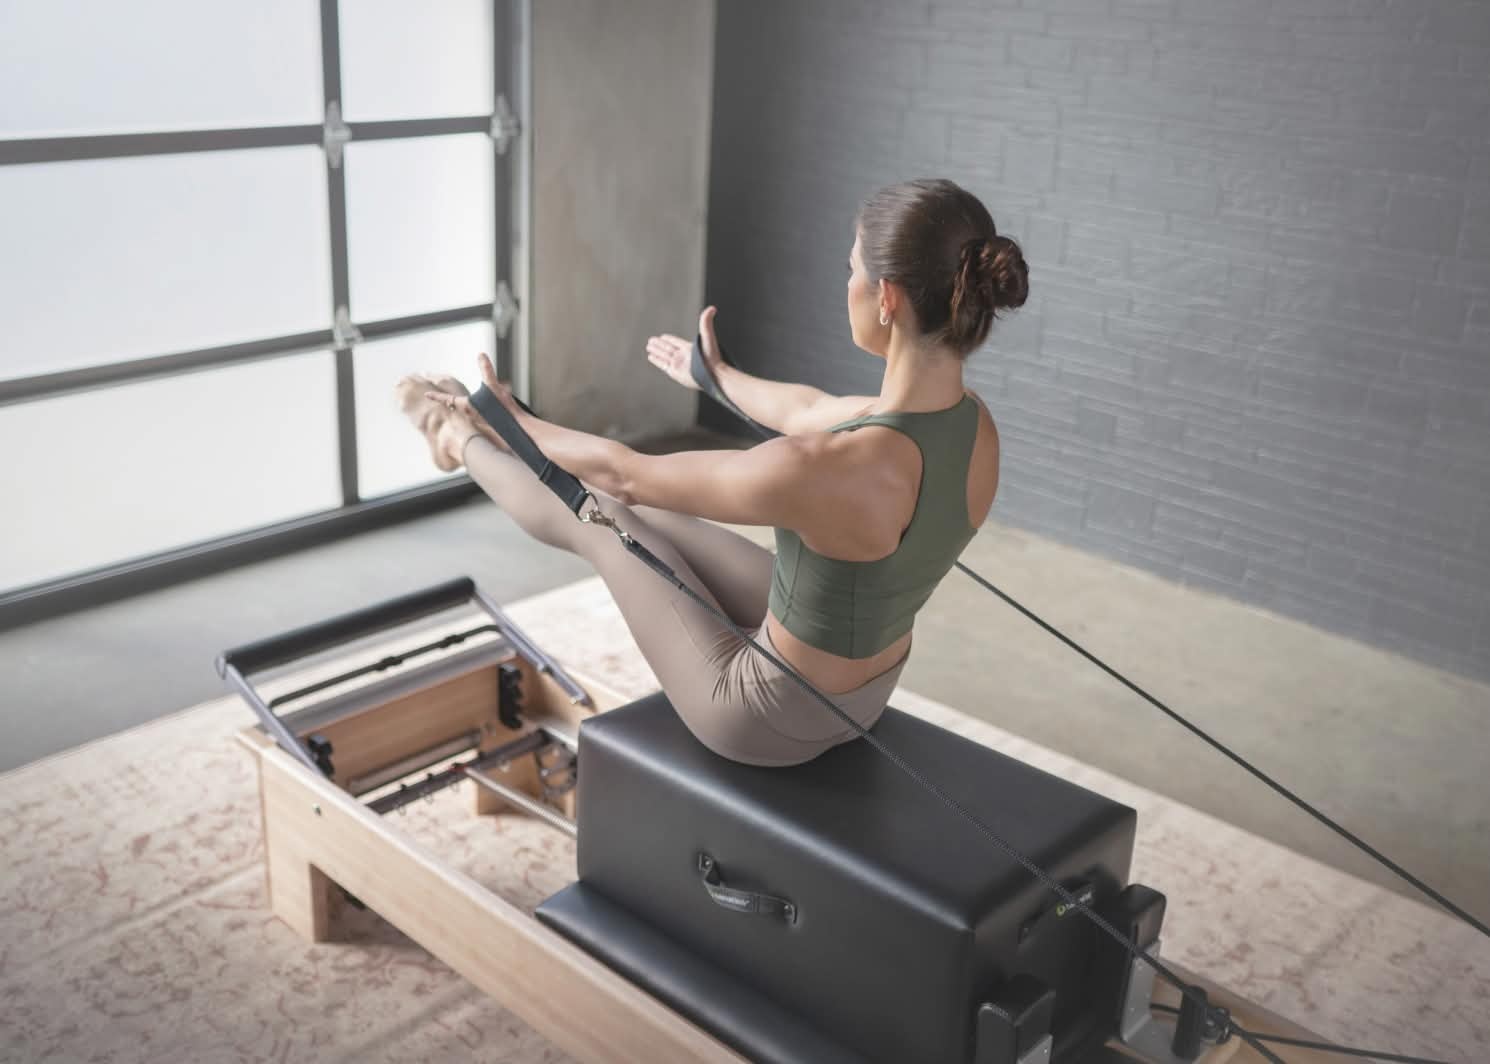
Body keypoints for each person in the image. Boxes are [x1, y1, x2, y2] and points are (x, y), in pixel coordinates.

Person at [398, 177, 1028, 767]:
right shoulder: (975, 426)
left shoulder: (823, 468)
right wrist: (715, 375)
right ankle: (467, 435)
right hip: (870, 691)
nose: (848, 284)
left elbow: (624, 477)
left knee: (603, 518)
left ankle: (454, 439)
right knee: (655, 520)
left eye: (851, 269)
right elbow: (806, 409)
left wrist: (511, 422)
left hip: (765, 718)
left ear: (886, 298)